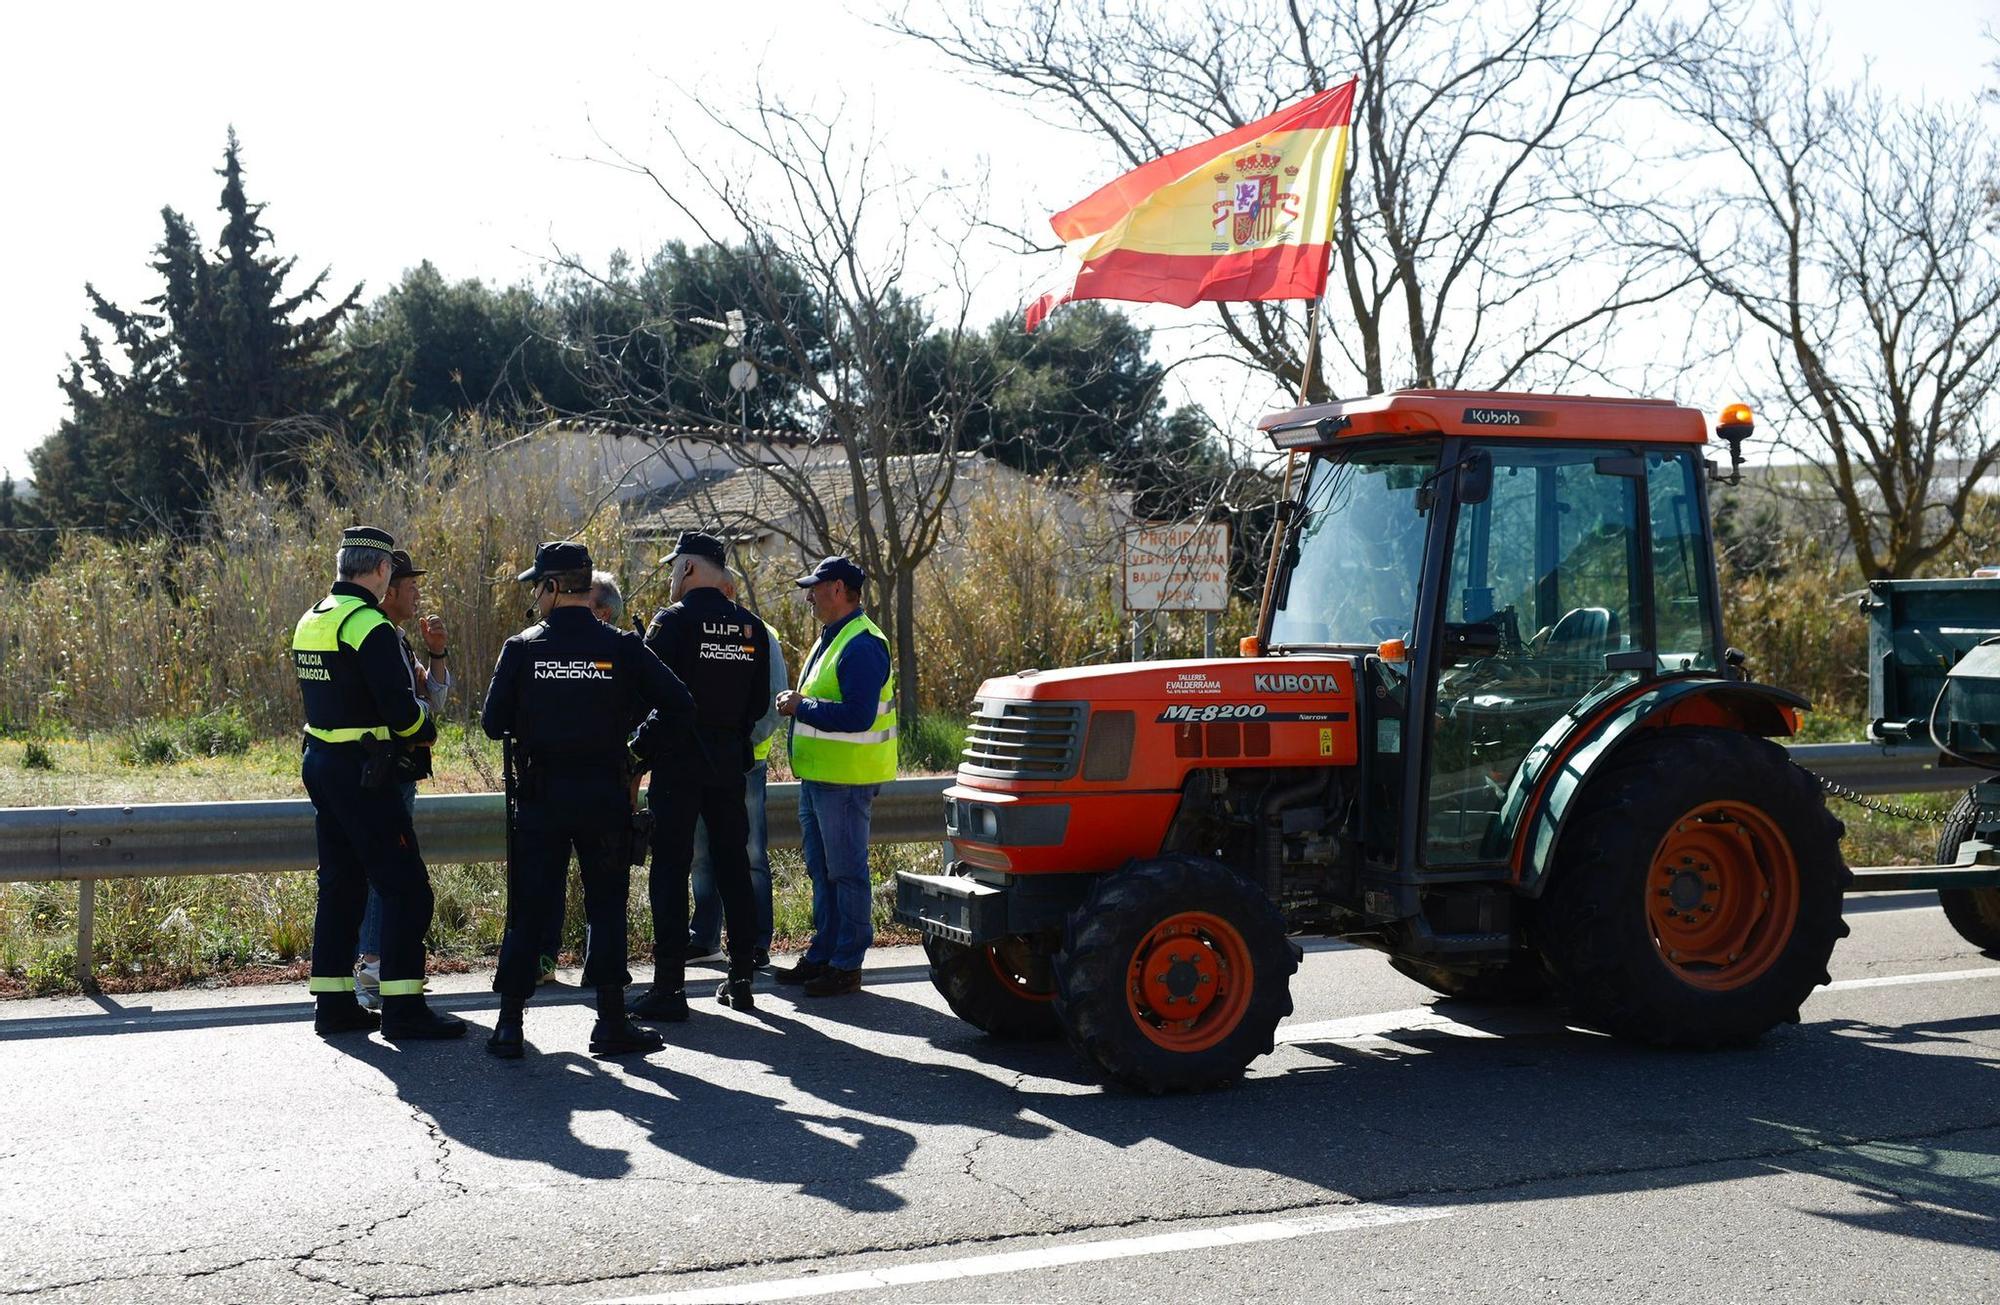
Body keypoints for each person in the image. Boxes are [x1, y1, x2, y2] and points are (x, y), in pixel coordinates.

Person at [480, 541, 695, 1059]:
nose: (536, 595)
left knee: (528, 906)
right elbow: (680, 705)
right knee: (606, 907)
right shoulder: (621, 647)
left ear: (554, 587)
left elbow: (492, 723)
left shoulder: (523, 647)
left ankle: (510, 1024)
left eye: (539, 586)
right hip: (603, 793)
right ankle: (612, 1022)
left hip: (542, 795)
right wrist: (635, 748)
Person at [293, 526, 463, 1040]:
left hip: (322, 763)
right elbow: (400, 710)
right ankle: (404, 1010)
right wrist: (425, 730)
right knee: (407, 890)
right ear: (383, 570)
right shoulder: (368, 625)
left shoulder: (314, 618)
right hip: (365, 773)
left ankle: (333, 1004)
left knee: (341, 886)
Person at [630, 531, 773, 1017]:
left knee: (670, 867)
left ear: (689, 570)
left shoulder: (671, 623)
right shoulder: (751, 628)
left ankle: (669, 987)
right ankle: (741, 976)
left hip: (677, 763)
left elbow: (644, 697)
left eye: (675, 567)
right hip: (729, 762)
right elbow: (757, 705)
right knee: (734, 866)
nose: (672, 575)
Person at [772, 555, 897, 999]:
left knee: (846, 873)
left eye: (815, 588)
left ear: (839, 590)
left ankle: (847, 964)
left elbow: (859, 716)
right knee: (823, 872)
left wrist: (799, 705)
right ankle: (824, 954)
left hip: (844, 780)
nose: (809, 596)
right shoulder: (835, 636)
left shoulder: (861, 644)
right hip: (821, 778)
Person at [354, 549, 451, 1009]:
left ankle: (370, 965)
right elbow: (407, 708)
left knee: (378, 870)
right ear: (387, 588)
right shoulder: (377, 637)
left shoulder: (399, 638)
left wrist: (436, 652)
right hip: (387, 771)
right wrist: (423, 722)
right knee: (385, 871)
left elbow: (434, 695)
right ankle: (373, 967)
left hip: (398, 771)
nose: (417, 597)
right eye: (410, 587)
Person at [530, 568, 631, 982]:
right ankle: (550, 966)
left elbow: (662, 709)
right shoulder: (540, 645)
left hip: (577, 788)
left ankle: (598, 970)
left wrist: (636, 758)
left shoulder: (530, 646)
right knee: (560, 888)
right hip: (589, 788)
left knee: (600, 891)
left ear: (603, 613)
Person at [686, 569, 784, 969]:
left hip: (746, 764)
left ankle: (757, 940)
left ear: (727, 588)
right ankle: (704, 937)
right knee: (701, 855)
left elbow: (772, 701)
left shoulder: (760, 633)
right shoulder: (698, 629)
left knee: (751, 855)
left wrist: (741, 743)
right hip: (704, 764)